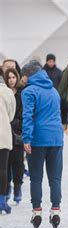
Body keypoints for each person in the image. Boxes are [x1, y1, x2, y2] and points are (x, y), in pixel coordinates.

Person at [21, 60, 64, 228]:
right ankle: (55, 210)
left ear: (29, 75)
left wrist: (26, 138)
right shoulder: (54, 91)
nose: (22, 79)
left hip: (37, 139)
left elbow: (27, 116)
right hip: (56, 138)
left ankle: (37, 211)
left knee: (36, 178)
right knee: (55, 178)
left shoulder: (29, 91)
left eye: (23, 76)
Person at [4, 68, 25, 204]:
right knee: (6, 162)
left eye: (13, 77)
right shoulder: (4, 93)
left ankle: (17, 186)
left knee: (18, 162)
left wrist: (17, 122)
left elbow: (24, 111)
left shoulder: (22, 93)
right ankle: (6, 188)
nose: (11, 80)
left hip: (18, 132)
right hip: (5, 131)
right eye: (9, 77)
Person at [0, 73, 16, 213]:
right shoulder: (8, 92)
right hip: (3, 134)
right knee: (3, 169)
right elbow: (11, 115)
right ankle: (2, 201)